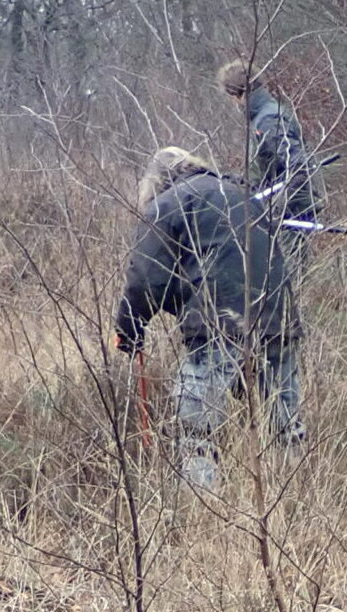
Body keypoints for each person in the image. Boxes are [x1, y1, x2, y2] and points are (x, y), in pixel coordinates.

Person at [115, 146, 304, 489]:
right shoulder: (240, 195)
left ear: (156, 181)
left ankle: (200, 502)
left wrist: (129, 329)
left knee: (195, 423)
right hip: (280, 315)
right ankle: (301, 497)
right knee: (286, 423)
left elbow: (146, 279)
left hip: (221, 325)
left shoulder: (167, 206)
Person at [218, 59, 318, 237]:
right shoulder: (263, 115)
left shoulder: (268, 119)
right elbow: (269, 167)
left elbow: (299, 167)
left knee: (286, 264)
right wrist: (242, 182)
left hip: (289, 215)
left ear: (237, 95)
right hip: (281, 211)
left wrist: (277, 209)